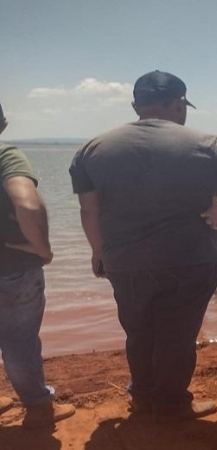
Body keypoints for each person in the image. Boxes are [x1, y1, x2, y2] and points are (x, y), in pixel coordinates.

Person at [69, 71, 217, 423]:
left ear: (136, 105)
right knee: (177, 335)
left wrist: (98, 251)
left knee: (138, 332)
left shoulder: (92, 149)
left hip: (125, 261)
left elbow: (88, 210)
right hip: (191, 260)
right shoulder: (209, 143)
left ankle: (142, 399)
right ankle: (172, 404)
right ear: (180, 104)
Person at [0, 102, 76, 428]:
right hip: (11, 267)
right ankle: (37, 406)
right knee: (19, 341)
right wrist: (41, 248)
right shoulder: (6, 155)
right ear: (2, 121)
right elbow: (28, 204)